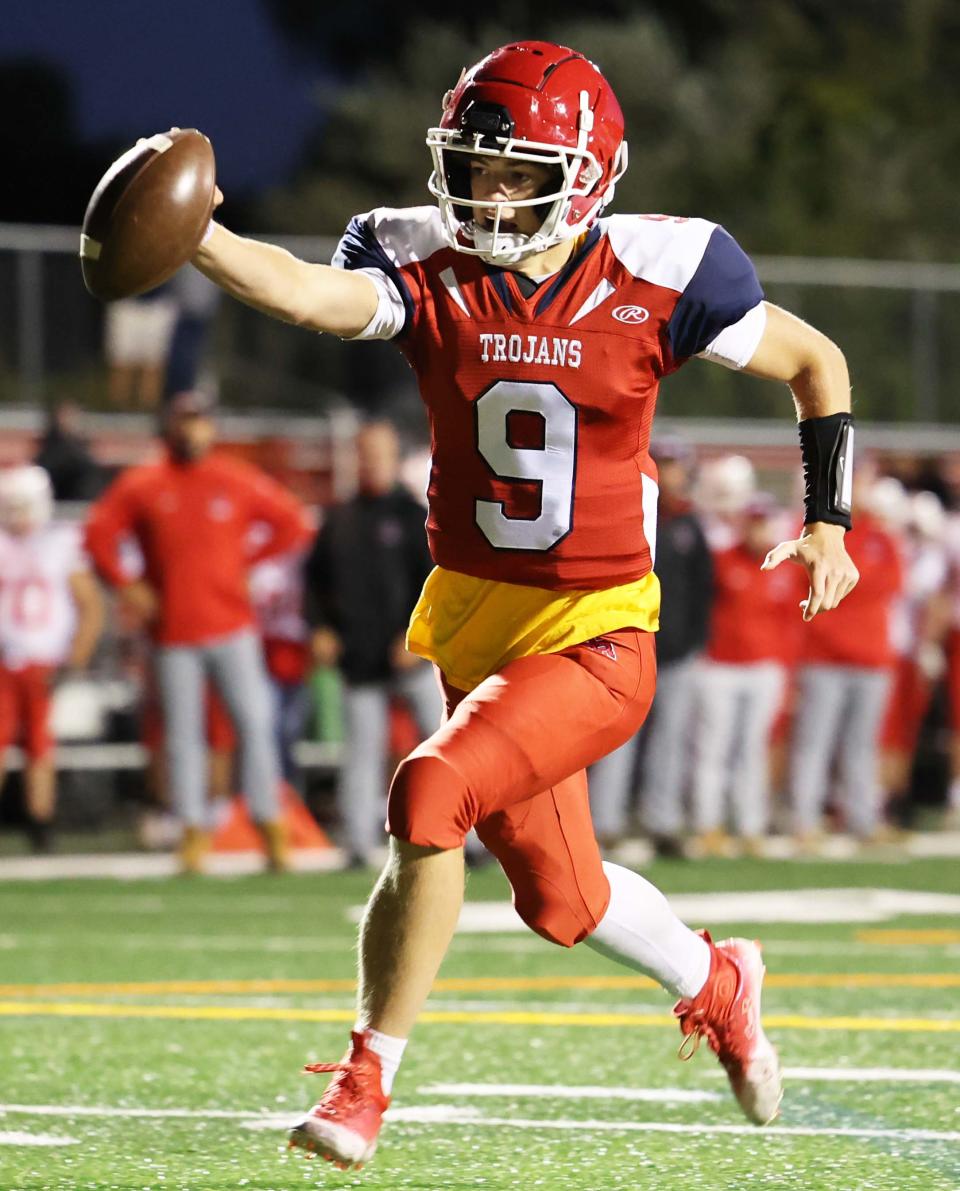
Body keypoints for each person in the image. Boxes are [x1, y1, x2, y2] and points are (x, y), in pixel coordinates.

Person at [187, 40, 858, 1168]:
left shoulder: (664, 268)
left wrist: (829, 518)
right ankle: (720, 978)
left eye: (518, 173)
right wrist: (194, 235)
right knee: (564, 898)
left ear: (590, 172)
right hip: (476, 617)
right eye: (477, 167)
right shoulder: (417, 254)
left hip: (599, 631)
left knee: (430, 793)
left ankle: (365, 1080)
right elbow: (305, 293)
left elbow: (816, 360)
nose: (490, 196)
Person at [84, 390, 311, 873]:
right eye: (185, 421)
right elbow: (97, 535)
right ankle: (190, 829)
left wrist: (248, 565)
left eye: (200, 421)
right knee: (185, 735)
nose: (193, 430)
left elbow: (292, 523)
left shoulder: (233, 479)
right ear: (170, 427)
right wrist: (128, 586)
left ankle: (270, 824)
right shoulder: (144, 483)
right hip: (173, 632)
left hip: (233, 626)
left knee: (254, 724)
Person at [304, 421, 442, 868]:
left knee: (445, 745)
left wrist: (414, 635)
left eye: (379, 454)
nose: (370, 462)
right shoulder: (339, 518)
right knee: (361, 752)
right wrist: (320, 627)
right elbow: (313, 583)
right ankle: (358, 843)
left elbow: (438, 582)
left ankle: (466, 837)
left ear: (394, 458)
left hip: (415, 658)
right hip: (359, 658)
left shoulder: (415, 515)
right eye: (364, 453)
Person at [690, 494, 801, 857]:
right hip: (721, 665)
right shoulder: (722, 561)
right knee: (713, 748)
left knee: (753, 750)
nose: (759, 530)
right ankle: (709, 824)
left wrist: (786, 672)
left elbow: (790, 625)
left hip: (764, 668)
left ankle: (751, 825)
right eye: (754, 523)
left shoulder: (784, 567)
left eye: (764, 523)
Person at [0, 466, 103, 851]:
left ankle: (40, 822)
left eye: (24, 506)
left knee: (41, 746)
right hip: (4, 660)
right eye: (12, 506)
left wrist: (75, 659)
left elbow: (91, 606)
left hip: (44, 661)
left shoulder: (61, 543)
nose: (19, 515)